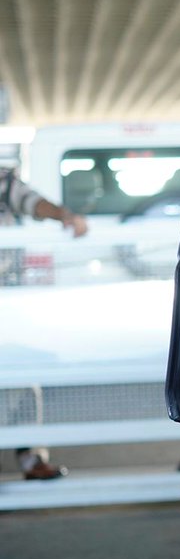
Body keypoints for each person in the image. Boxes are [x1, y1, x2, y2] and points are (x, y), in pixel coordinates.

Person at [0, 167, 88, 479]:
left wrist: (64, 215)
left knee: (23, 376)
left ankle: (32, 459)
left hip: (6, 298)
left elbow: (30, 200)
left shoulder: (1, 180)